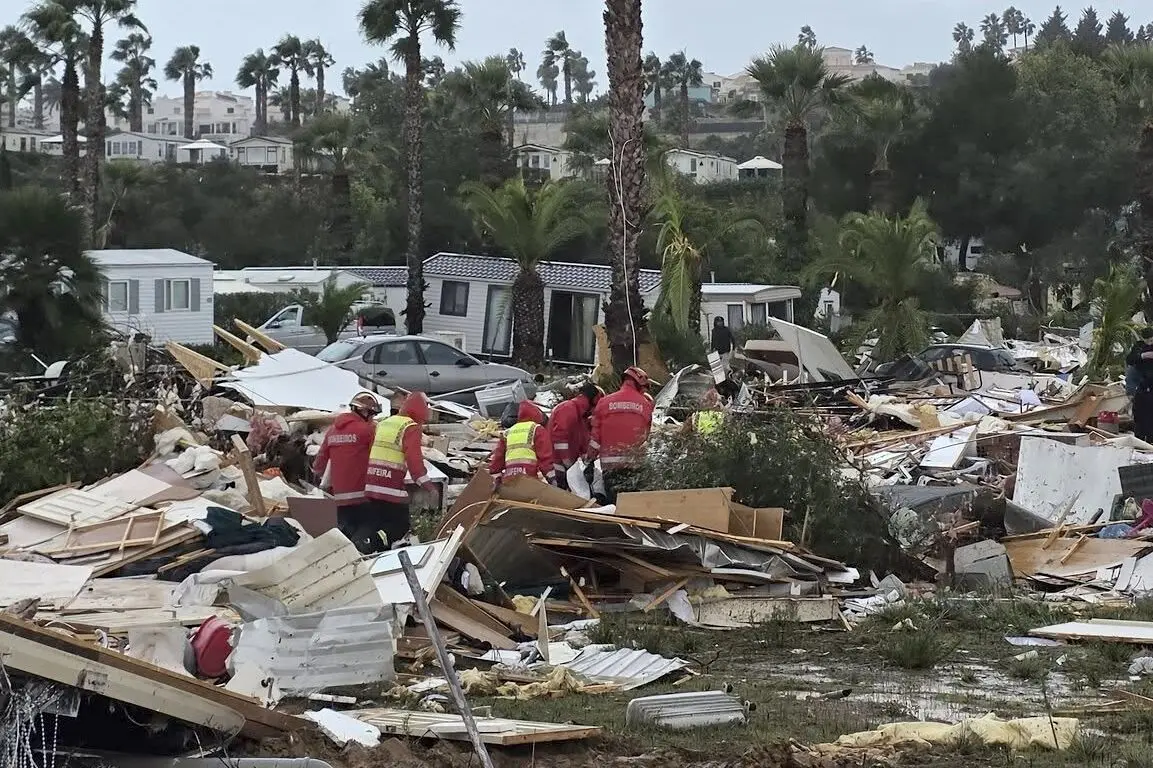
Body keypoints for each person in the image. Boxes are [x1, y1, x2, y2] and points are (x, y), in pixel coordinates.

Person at [362, 392, 436, 554]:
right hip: (390, 486)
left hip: (372, 482)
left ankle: (373, 549)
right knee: (400, 525)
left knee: (380, 523)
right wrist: (428, 486)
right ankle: (371, 545)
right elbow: (414, 462)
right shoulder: (411, 427)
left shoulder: (384, 423)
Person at [312, 392, 380, 539]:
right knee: (368, 529)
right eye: (372, 414)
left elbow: (320, 461)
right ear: (363, 411)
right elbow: (376, 457)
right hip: (362, 494)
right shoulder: (368, 431)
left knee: (345, 534)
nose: (373, 418)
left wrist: (317, 476)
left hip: (339, 496)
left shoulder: (332, 431)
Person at [588, 366, 654, 502]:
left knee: (613, 505)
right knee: (631, 505)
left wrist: (589, 459)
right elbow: (646, 436)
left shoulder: (604, 403)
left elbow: (595, 438)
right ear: (639, 384)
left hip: (610, 467)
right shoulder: (645, 405)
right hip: (634, 466)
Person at [549, 383, 603, 489]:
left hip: (566, 469)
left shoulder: (580, 416)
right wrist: (569, 464)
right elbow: (560, 439)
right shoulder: (568, 408)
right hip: (559, 468)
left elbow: (583, 443)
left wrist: (587, 459)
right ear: (595, 400)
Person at [489, 401, 555, 487]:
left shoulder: (507, 432)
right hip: (528, 476)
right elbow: (546, 458)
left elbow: (498, 458)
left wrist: (494, 474)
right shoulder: (536, 429)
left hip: (509, 477)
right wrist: (553, 479)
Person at [1126, 327, 1153, 441]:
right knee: (1140, 415)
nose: (1150, 343)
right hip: (1141, 387)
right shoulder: (1139, 347)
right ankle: (1140, 439)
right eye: (1147, 340)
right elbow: (1130, 359)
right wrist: (1144, 356)